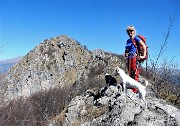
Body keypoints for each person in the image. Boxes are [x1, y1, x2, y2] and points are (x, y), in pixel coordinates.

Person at [124, 25, 147, 93]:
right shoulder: (128, 41)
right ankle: (131, 87)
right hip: (129, 58)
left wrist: (143, 56)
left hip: (134, 57)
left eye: (131, 30)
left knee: (135, 73)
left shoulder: (136, 38)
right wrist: (126, 54)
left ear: (134, 31)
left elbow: (144, 46)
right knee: (130, 73)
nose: (130, 32)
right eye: (128, 31)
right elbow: (127, 49)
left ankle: (135, 90)